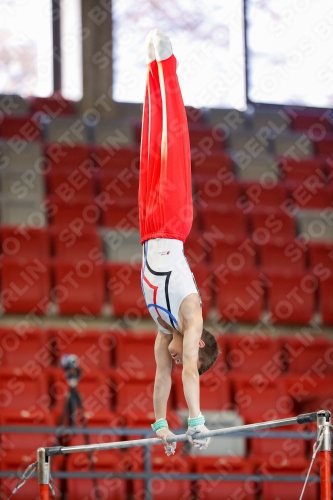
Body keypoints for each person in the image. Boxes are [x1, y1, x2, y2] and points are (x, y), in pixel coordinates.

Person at [139, 29, 219, 456]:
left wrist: (160, 425)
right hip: (173, 222)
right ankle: (168, 64)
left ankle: (151, 69)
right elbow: (187, 369)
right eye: (189, 355)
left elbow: (162, 379)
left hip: (148, 227)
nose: (177, 357)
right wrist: (197, 422)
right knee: (173, 141)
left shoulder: (163, 326)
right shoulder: (191, 319)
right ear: (200, 343)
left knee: (151, 144)